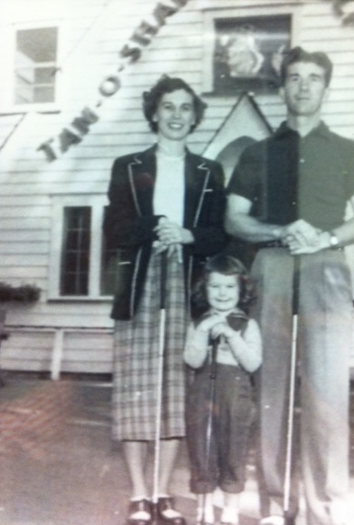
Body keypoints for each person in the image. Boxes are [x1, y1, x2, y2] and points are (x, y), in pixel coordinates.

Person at [225, 47, 354, 525]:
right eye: (294, 77)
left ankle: (323, 506)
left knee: (327, 392)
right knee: (270, 385)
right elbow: (234, 219)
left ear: (325, 88)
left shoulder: (347, 151)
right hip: (272, 267)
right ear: (284, 87)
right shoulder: (257, 152)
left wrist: (326, 236)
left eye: (314, 78)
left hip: (326, 267)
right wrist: (280, 231)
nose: (304, 86)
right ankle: (273, 503)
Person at [103, 76, 228, 525]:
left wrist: (187, 234)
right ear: (154, 112)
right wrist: (157, 225)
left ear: (194, 116)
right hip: (138, 280)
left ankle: (163, 491)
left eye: (184, 108)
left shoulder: (209, 171)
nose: (176, 115)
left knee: (177, 388)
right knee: (135, 388)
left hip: (184, 279)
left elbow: (220, 234)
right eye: (168, 107)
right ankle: (139, 493)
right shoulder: (128, 165)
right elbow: (113, 229)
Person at [183, 255, 262, 525]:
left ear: (241, 291)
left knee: (234, 450)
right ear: (204, 290)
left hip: (235, 395)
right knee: (201, 449)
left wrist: (231, 335)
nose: (222, 293)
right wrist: (204, 329)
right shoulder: (197, 323)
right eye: (215, 287)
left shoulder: (248, 325)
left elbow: (252, 363)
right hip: (202, 394)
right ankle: (203, 509)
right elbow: (192, 360)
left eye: (230, 287)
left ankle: (230, 510)